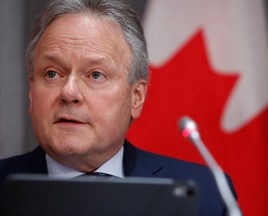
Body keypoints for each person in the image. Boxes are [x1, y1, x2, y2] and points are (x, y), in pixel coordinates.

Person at [0, 0, 237, 215]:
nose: (69, 92)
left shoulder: (207, 194)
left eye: (95, 75)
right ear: (32, 91)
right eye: (52, 73)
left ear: (136, 97)